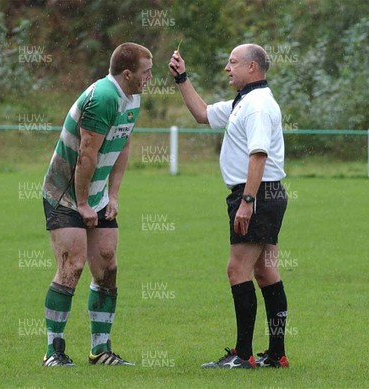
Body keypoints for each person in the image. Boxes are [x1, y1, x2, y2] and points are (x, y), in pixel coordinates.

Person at [169, 44, 289, 369]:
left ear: (253, 67)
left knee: (237, 270)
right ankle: (276, 354)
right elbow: (203, 114)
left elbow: (259, 154)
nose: (227, 67)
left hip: (257, 194)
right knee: (264, 271)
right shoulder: (244, 101)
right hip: (265, 194)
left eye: (233, 62)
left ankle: (242, 354)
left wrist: (247, 201)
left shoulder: (259, 106)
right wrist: (182, 78)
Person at [41, 42, 153, 367]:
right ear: (128, 73)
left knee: (107, 266)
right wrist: (82, 203)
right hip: (65, 193)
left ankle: (100, 350)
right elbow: (87, 154)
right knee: (71, 267)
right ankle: (54, 351)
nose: (149, 78)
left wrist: (112, 196)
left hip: (97, 194)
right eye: (145, 72)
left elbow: (123, 143)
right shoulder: (103, 97)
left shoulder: (132, 98)